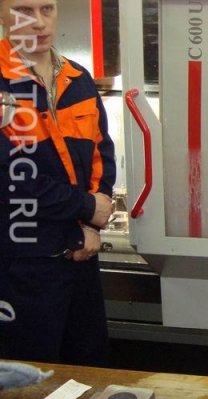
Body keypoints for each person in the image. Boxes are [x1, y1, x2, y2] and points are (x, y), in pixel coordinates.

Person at [0, 0, 116, 365]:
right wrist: (85, 208)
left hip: (81, 256)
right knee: (30, 377)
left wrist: (91, 223)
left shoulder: (78, 79)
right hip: (21, 263)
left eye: (47, 8)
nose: (38, 22)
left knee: (88, 369)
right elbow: (11, 179)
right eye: (24, 10)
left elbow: (101, 154)